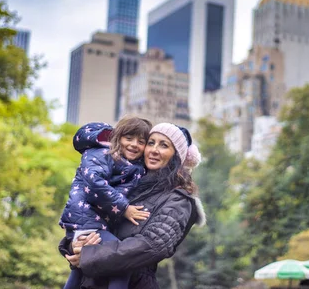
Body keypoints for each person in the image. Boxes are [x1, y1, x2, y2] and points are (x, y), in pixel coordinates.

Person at [63, 122, 206, 289]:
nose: (154, 149)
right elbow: (88, 219)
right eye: (151, 142)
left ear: (176, 156)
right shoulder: (127, 183)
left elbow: (152, 246)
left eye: (164, 145)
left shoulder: (178, 200)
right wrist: (74, 244)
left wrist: (90, 256)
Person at [59, 117, 153, 289]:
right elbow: (95, 183)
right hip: (86, 221)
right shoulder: (103, 153)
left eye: (141, 142)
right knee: (122, 264)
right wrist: (124, 208)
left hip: (96, 223)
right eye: (129, 138)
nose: (134, 145)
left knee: (80, 270)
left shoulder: (132, 164)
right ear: (117, 137)